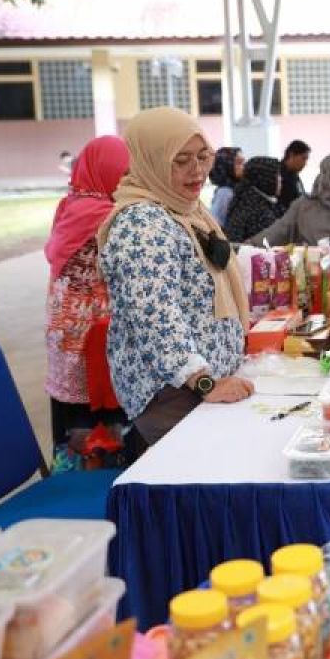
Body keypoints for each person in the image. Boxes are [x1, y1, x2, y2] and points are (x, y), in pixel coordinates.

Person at [98, 108, 255, 451]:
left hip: (201, 383)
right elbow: (154, 317)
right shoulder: (142, 224)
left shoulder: (185, 209)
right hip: (174, 393)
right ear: (150, 161)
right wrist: (204, 383)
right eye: (180, 160)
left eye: (203, 157)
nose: (196, 170)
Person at [44, 135, 132, 449]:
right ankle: (94, 474)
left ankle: (74, 466)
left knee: (71, 411)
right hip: (88, 329)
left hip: (63, 326)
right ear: (104, 171)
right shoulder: (106, 214)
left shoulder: (71, 204)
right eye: (122, 174)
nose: (126, 182)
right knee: (95, 415)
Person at [249, 152, 330, 247]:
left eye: (322, 172)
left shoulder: (304, 206)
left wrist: (242, 248)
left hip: (307, 278)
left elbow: (273, 236)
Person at [224, 156, 284, 243]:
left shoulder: (247, 200)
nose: (281, 179)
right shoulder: (259, 212)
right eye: (277, 175)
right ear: (265, 178)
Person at [208, 146, 244, 225]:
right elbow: (216, 223)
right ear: (227, 165)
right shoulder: (225, 193)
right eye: (239, 163)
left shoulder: (238, 189)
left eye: (244, 162)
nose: (244, 166)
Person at [278, 140, 311, 212]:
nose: (305, 163)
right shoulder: (278, 176)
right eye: (303, 158)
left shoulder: (294, 175)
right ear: (291, 154)